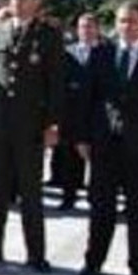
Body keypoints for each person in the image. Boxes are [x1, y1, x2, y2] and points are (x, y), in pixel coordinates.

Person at [0, 0, 64, 272]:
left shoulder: (48, 36)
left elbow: (55, 84)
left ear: (36, 1)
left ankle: (36, 254)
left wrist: (52, 124)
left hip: (30, 125)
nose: (19, 2)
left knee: (30, 192)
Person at [76, 2, 138, 275]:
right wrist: (82, 138)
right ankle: (93, 261)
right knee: (101, 207)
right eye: (121, 21)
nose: (127, 27)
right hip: (104, 142)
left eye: (132, 21)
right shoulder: (101, 53)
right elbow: (87, 99)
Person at [55, 13, 106, 211]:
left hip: (97, 113)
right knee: (70, 157)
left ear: (97, 29)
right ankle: (69, 196)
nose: (86, 30)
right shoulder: (68, 53)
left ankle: (96, 197)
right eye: (83, 26)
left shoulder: (106, 51)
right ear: (77, 30)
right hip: (73, 113)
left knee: (97, 159)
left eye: (90, 26)